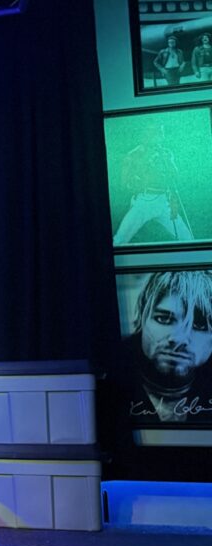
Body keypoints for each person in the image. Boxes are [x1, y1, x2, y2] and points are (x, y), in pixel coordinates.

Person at [121, 270, 212, 423]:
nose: (178, 339)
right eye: (164, 319)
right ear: (143, 319)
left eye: (200, 325)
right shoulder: (111, 378)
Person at [112, 123, 192, 245]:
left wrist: (169, 162)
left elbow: (175, 178)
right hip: (144, 201)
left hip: (164, 201)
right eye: (156, 132)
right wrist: (144, 169)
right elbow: (124, 184)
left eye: (161, 132)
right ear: (146, 134)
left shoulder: (166, 153)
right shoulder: (133, 155)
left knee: (187, 238)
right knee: (120, 240)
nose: (160, 135)